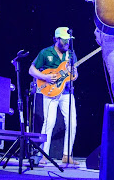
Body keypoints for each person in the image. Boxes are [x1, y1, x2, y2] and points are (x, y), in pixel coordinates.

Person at [29, 27, 79, 166]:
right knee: (49, 122)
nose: (67, 42)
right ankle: (44, 155)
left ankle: (66, 155)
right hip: (50, 91)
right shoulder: (45, 52)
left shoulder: (71, 54)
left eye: (68, 40)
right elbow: (31, 69)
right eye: (64, 40)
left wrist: (73, 73)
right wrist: (44, 76)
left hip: (67, 92)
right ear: (56, 39)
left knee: (72, 123)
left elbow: (74, 76)